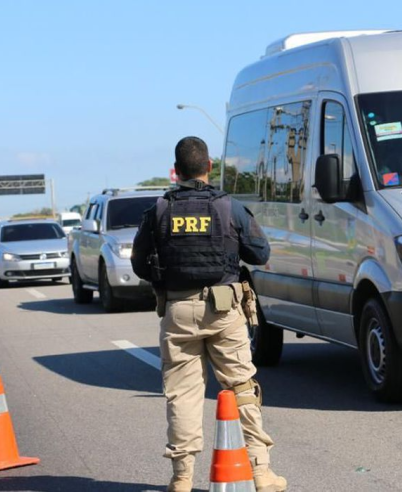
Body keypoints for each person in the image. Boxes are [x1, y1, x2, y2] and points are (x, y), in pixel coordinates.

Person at [132, 136, 286, 492]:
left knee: (182, 395)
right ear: (209, 167)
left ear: (176, 170)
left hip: (178, 309)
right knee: (242, 387)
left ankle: (182, 478)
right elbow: (260, 253)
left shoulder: (158, 210)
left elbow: (139, 263)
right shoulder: (228, 208)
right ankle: (261, 473)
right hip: (224, 308)